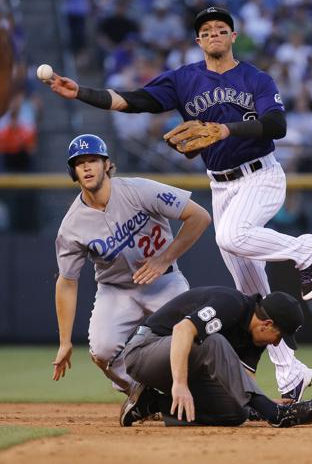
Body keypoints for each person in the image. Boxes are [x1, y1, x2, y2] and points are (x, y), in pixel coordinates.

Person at [47, 6, 312, 401]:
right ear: (198, 41)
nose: (213, 33)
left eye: (221, 29)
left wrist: (226, 128)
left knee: (231, 236)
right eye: (206, 30)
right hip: (221, 184)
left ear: (233, 36)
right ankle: (289, 372)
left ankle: (307, 249)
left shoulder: (255, 79)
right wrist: (80, 93)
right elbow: (133, 100)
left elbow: (276, 125)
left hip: (261, 174)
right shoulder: (185, 80)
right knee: (253, 294)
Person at [52, 133, 211, 394]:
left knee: (197, 338)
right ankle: (141, 394)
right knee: (102, 351)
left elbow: (199, 217)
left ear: (106, 164)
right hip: (116, 290)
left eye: (93, 160)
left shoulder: (140, 190)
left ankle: (212, 391)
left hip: (164, 281)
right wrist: (64, 341)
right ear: (74, 172)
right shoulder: (71, 226)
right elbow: (67, 281)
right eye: (80, 163)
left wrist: (164, 258)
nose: (87, 167)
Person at [120, 286, 312, 427]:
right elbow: (182, 330)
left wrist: (259, 405)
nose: (276, 342)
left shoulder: (256, 338)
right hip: (144, 351)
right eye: (279, 336)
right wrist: (180, 384)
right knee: (213, 341)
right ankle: (276, 416)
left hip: (183, 363)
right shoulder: (231, 304)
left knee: (236, 412)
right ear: (267, 324)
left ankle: (150, 403)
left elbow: (242, 383)